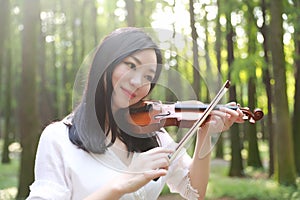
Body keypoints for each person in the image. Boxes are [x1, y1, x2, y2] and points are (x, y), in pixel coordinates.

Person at [27, 27, 244, 200]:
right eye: (130, 65)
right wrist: (122, 183)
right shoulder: (58, 138)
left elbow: (194, 192)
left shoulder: (154, 136)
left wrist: (204, 131)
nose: (137, 82)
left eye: (148, 76)